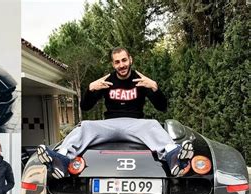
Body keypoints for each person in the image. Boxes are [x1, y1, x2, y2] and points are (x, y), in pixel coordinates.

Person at [37, 47, 194, 179]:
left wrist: (154, 88)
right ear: (113, 64)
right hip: (109, 125)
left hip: (136, 125)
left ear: (130, 60)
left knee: (153, 124)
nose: (121, 65)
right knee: (85, 125)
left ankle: (174, 158)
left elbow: (162, 107)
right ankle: (61, 160)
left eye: (124, 60)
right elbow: (85, 107)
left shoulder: (141, 80)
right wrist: (90, 89)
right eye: (117, 62)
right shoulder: (106, 82)